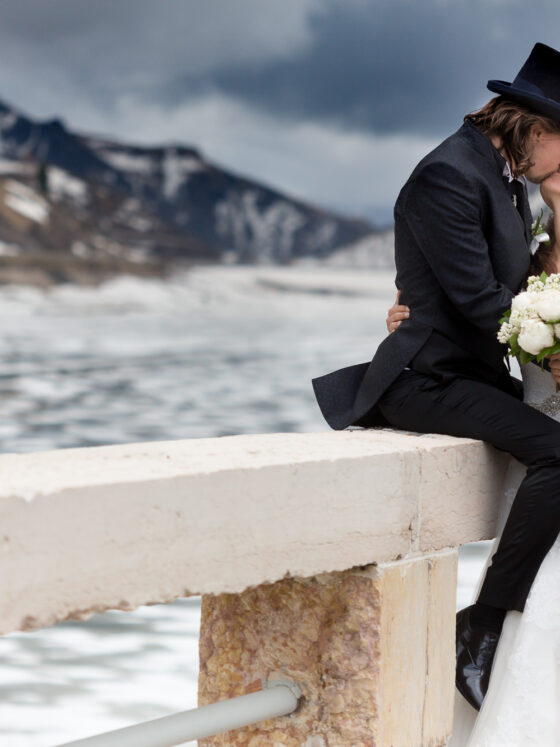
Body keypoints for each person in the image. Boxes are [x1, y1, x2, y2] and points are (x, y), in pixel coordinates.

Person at [310, 41, 560, 714]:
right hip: (423, 379)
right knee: (557, 452)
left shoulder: (502, 177)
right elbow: (483, 300)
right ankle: (479, 625)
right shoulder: (448, 174)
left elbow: (511, 282)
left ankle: (484, 624)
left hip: (465, 373)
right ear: (537, 129)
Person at [387, 178, 560, 744]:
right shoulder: (527, 251)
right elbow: (477, 311)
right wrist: (412, 324)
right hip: (539, 442)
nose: (551, 180)